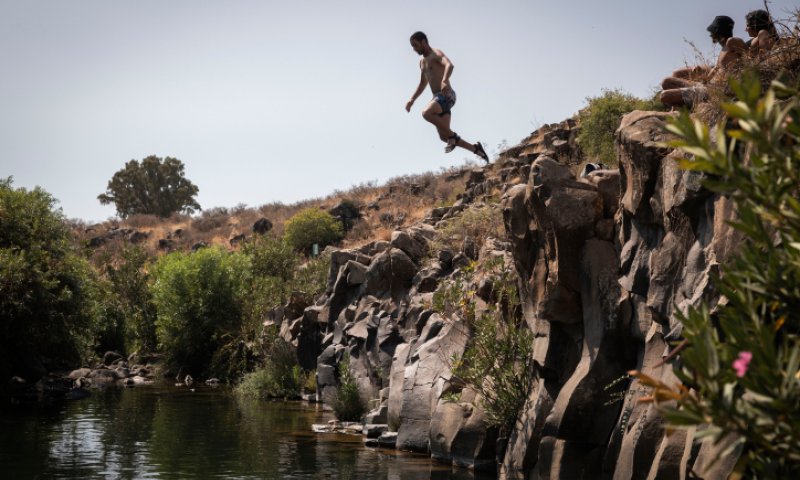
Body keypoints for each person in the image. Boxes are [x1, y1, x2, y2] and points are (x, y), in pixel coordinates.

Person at [405, 31, 490, 163]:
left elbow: (449, 65)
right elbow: (422, 83)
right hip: (437, 100)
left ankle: (453, 137)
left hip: (446, 95)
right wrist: (412, 99)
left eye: (415, 45)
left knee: (426, 113)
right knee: (444, 136)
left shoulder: (436, 54)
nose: (414, 49)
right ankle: (476, 149)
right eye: (412, 46)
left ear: (423, 42)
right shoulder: (422, 62)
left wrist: (444, 80)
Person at [660, 16, 746, 109]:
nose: (710, 35)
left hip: (713, 92)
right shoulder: (723, 50)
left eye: (712, 32)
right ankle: (679, 108)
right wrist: (704, 77)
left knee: (664, 96)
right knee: (666, 81)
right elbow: (714, 72)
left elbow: (749, 55)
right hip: (706, 86)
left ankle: (683, 111)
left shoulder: (732, 41)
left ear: (718, 31)